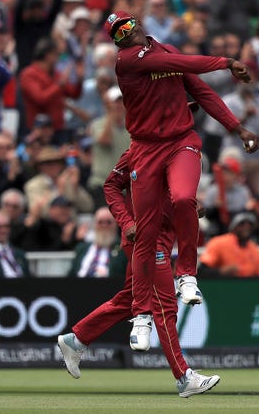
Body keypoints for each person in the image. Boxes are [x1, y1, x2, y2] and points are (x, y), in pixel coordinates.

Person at [103, 10, 258, 349]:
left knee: (185, 199)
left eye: (127, 26)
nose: (125, 35)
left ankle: (187, 274)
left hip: (180, 141)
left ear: (137, 24)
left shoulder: (167, 53)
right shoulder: (128, 60)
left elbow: (202, 93)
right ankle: (141, 317)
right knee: (145, 236)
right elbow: (191, 64)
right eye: (117, 34)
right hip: (145, 150)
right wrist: (227, 62)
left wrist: (237, 128)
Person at [57, 149, 220, 397]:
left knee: (131, 299)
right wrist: (126, 222)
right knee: (165, 304)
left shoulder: (180, 149)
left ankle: (76, 339)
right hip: (143, 238)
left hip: (165, 236)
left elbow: (171, 193)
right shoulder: (140, 149)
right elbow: (111, 185)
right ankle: (183, 376)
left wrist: (189, 206)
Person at [199, 211, 259, 277]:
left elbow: (258, 277)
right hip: (222, 284)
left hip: (247, 286)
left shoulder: (254, 249)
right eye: (241, 223)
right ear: (233, 226)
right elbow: (202, 271)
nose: (246, 227)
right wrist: (221, 271)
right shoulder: (218, 243)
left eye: (250, 224)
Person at [70, 207, 127, 278]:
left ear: (116, 225)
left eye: (108, 222)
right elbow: (70, 275)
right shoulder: (81, 248)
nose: (104, 225)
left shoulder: (123, 249)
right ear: (94, 225)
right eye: (100, 222)